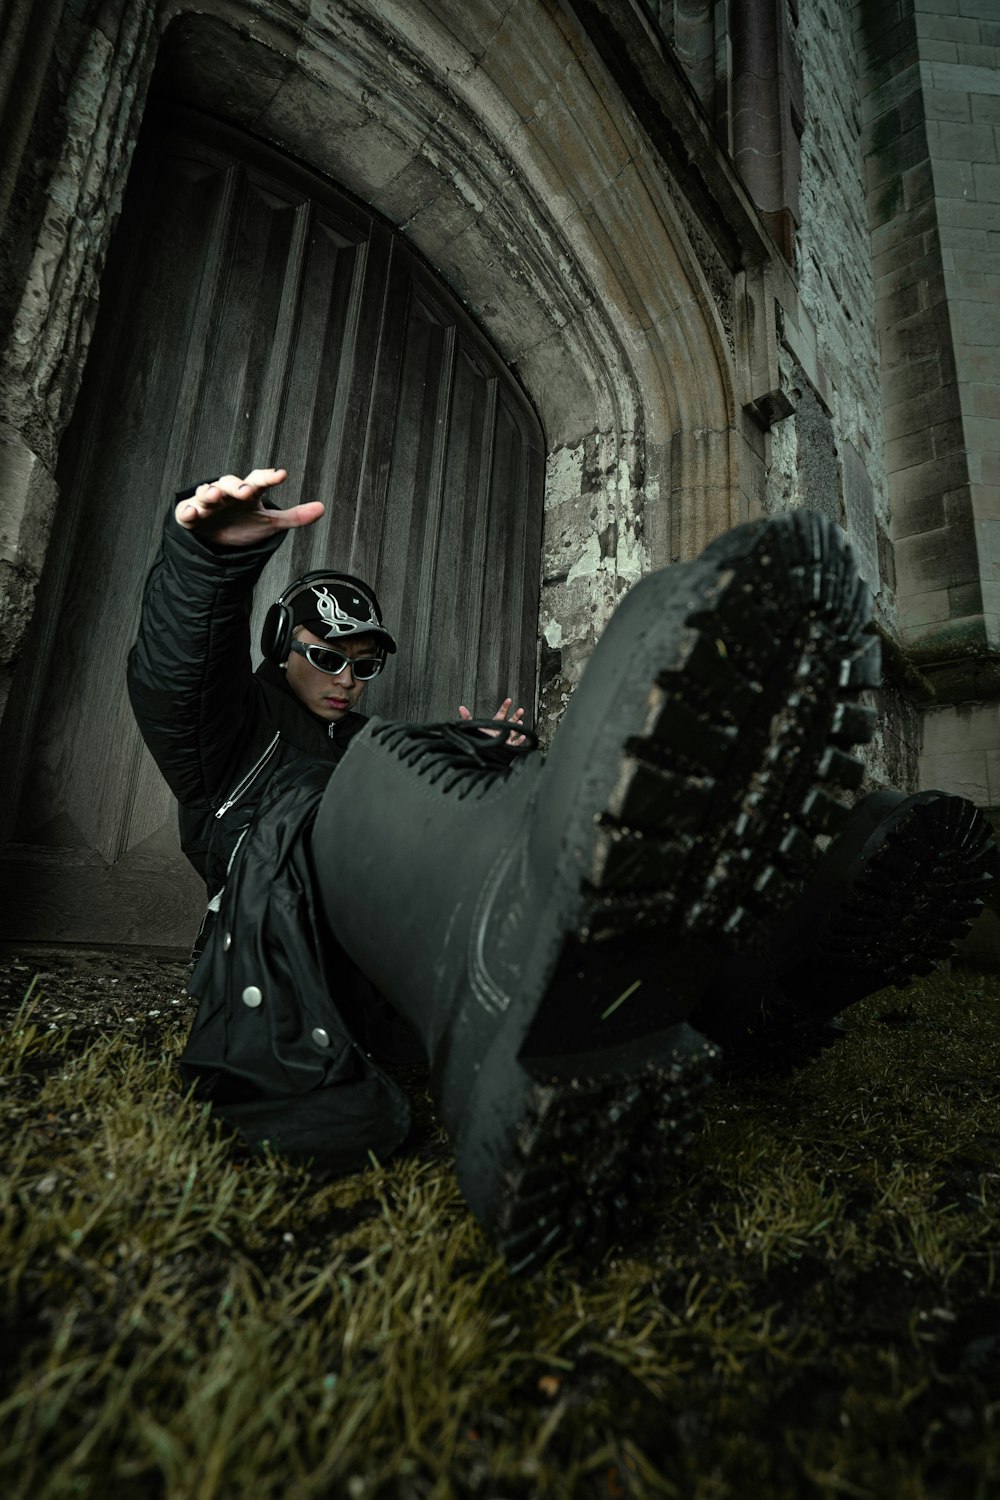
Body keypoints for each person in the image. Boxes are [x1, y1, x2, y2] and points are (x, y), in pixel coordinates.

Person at [129, 467, 995, 1274]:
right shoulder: (231, 742)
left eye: (365, 664)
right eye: (326, 655)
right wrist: (206, 560)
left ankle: (759, 961)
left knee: (466, 775)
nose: (349, 678)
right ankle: (510, 961)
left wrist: (484, 757)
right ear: (281, 651)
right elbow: (174, 676)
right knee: (373, 785)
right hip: (304, 956)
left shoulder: (367, 742)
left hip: (396, 976)